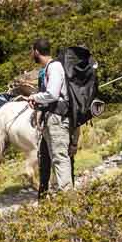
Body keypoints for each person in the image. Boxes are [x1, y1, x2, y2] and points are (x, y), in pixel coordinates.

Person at [29, 38, 74, 197]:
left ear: (36, 51)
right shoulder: (50, 67)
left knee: (60, 158)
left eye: (31, 51)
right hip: (52, 117)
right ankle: (61, 193)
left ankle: (68, 197)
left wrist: (35, 97)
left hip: (57, 118)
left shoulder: (54, 68)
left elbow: (53, 94)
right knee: (55, 157)